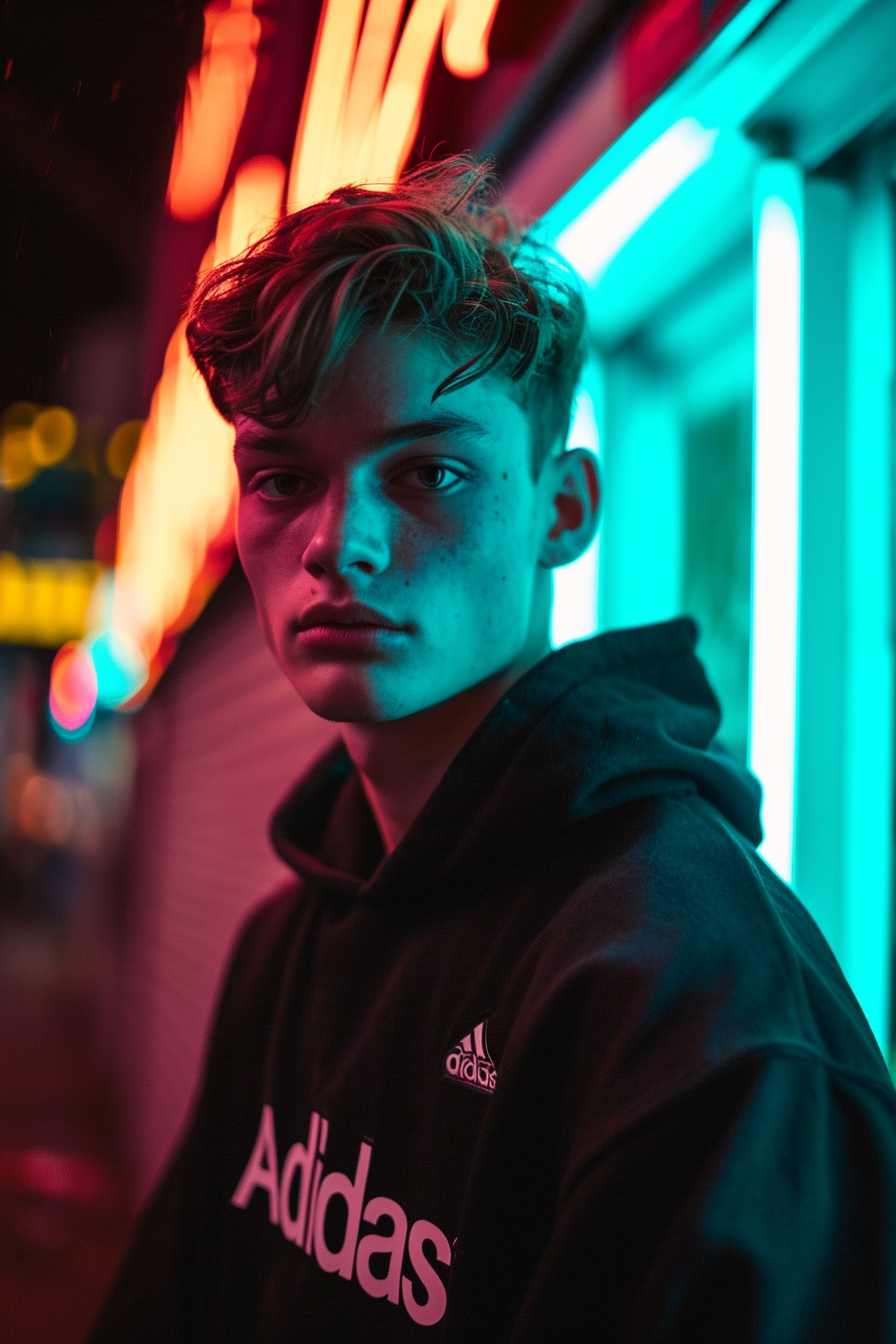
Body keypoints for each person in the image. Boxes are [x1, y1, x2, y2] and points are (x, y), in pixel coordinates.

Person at [88, 156, 896, 1343]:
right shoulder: (286, 941)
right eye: (283, 476)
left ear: (560, 511)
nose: (338, 544)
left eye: (429, 472)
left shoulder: (702, 1010)